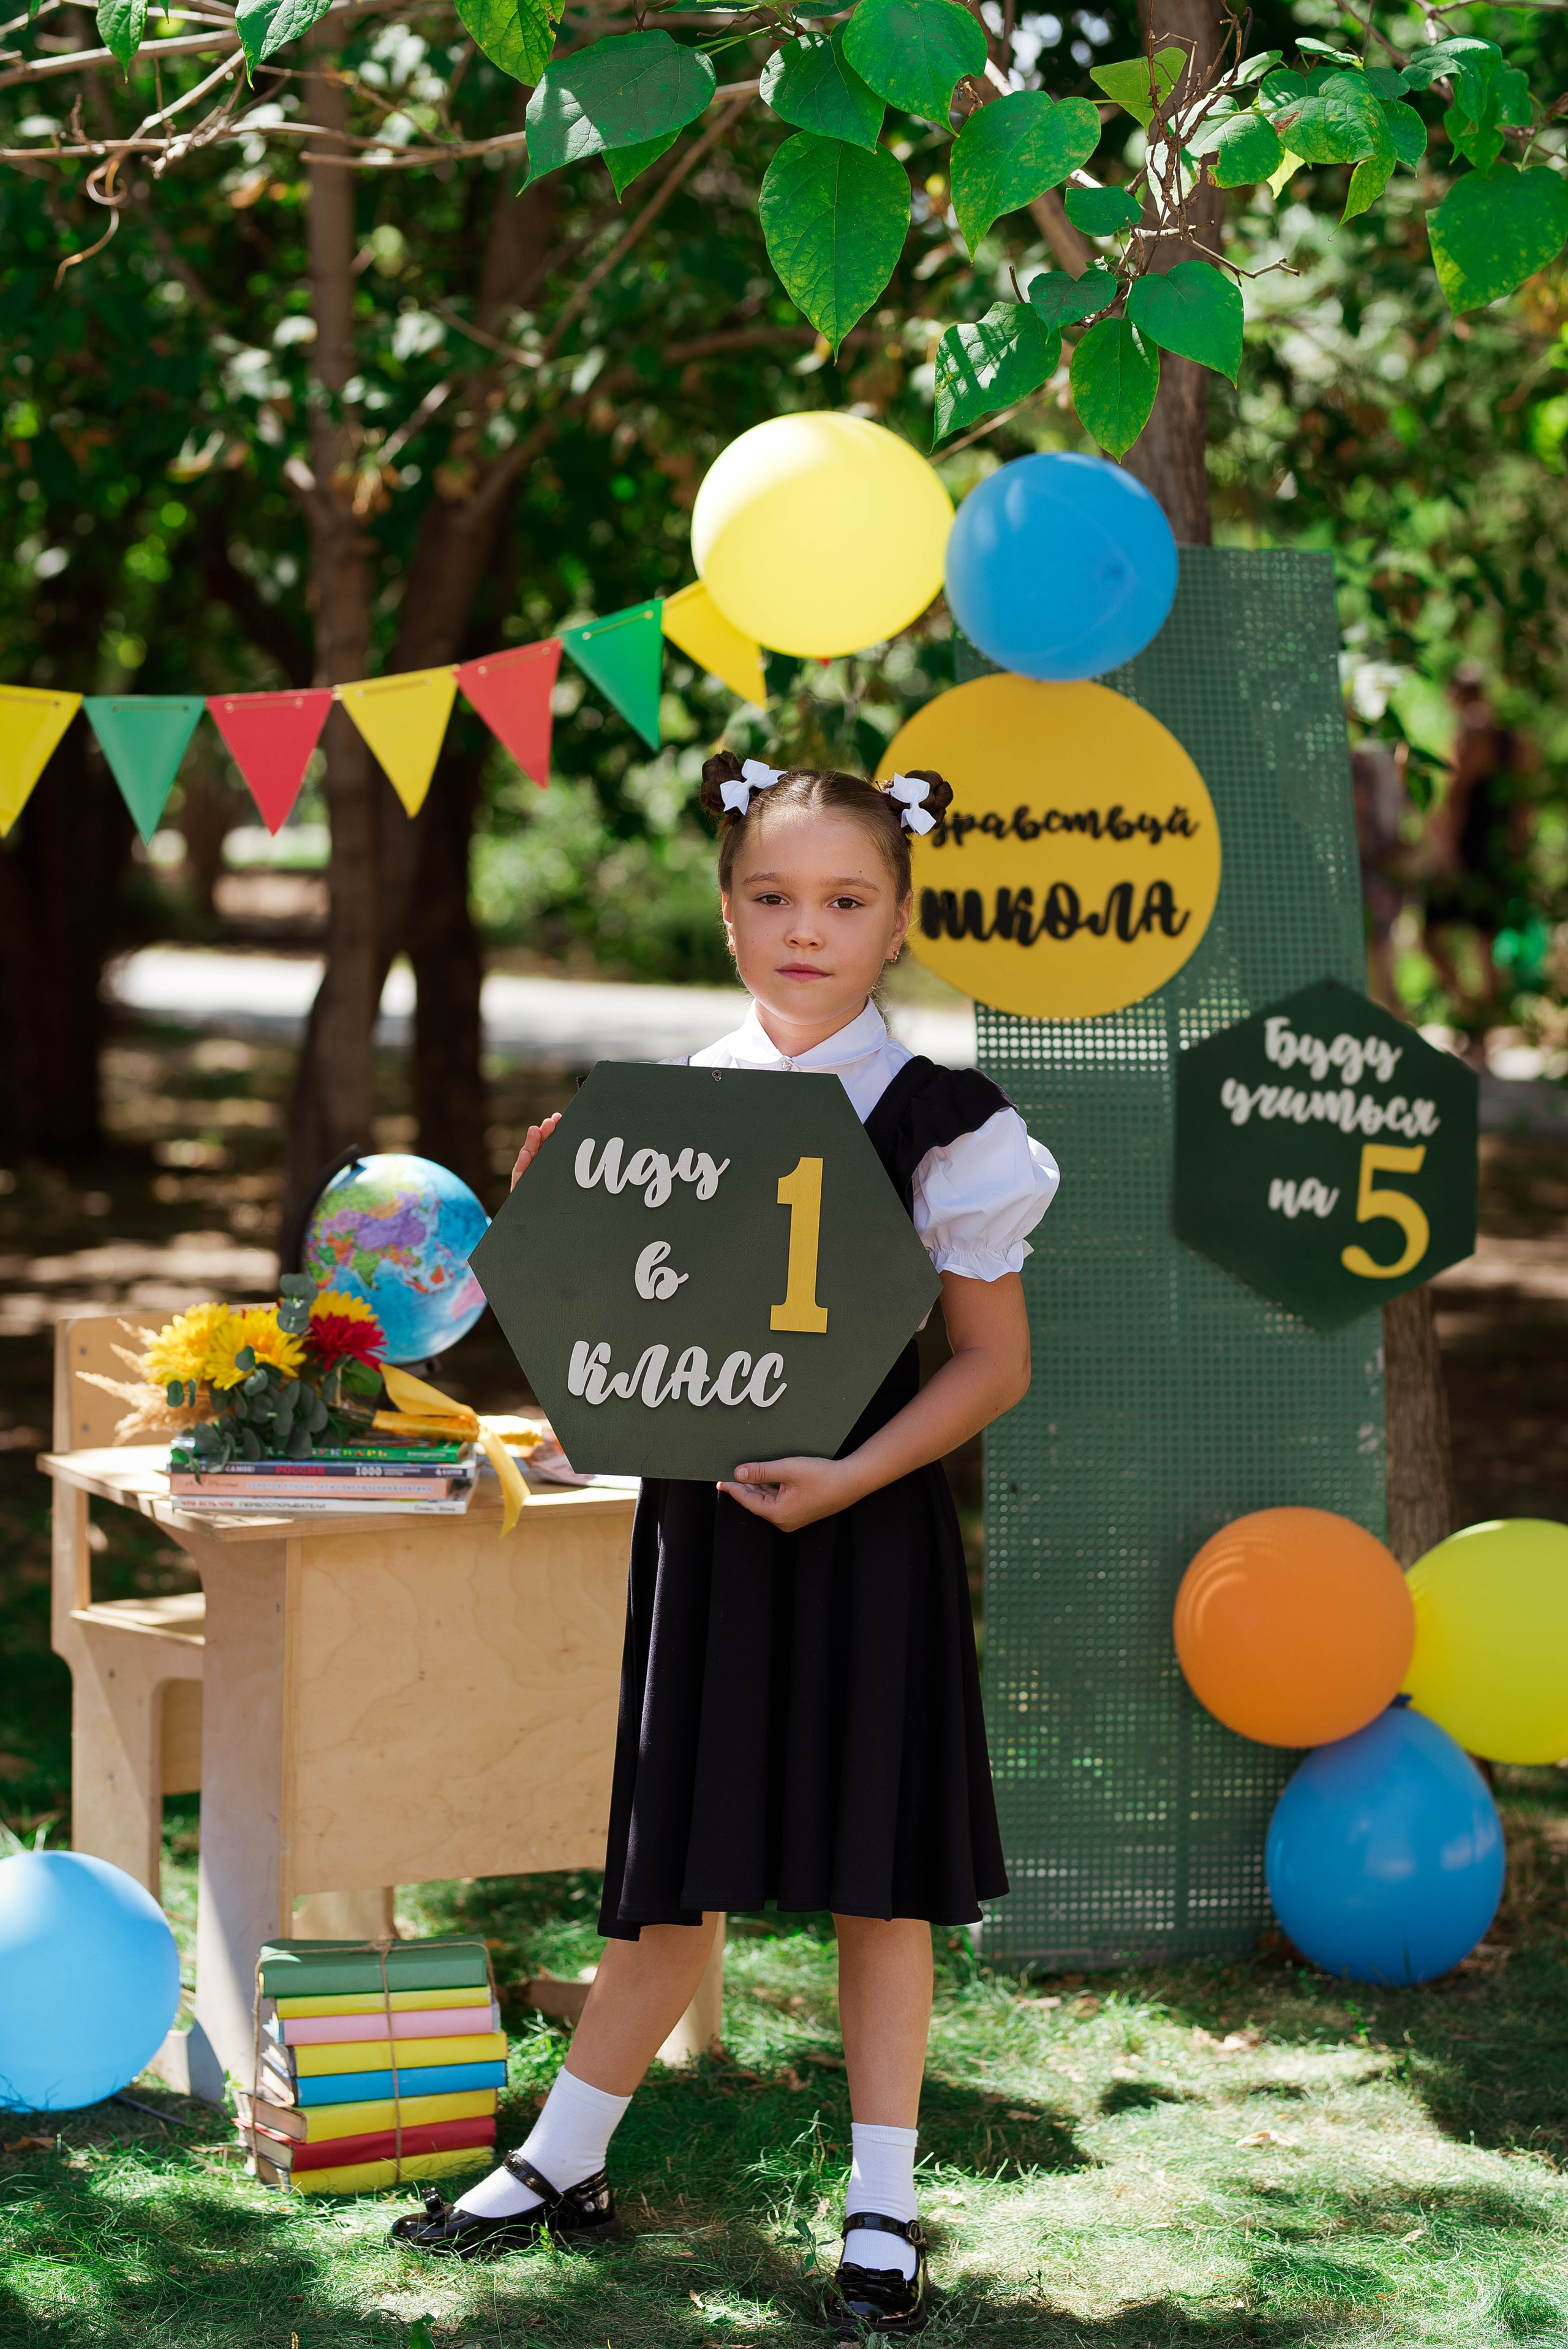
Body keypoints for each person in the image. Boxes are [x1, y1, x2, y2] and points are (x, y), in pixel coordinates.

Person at [391, 755, 1060, 2335]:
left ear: (899, 924)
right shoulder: (660, 1107)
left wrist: (851, 1476)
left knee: (879, 1879)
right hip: (707, 1543)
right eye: (771, 896)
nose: (803, 929)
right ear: (725, 909)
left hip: (868, 1531)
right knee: (672, 1861)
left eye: (844, 901)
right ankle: (565, 2160)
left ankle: (883, 2196)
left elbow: (992, 1362)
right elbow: (643, 1358)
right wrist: (579, 1316)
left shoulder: (947, 1123)